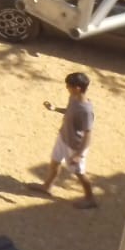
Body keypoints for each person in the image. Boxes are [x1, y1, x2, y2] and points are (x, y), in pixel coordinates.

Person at [28, 72, 99, 209]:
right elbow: (69, 111)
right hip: (63, 137)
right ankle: (47, 186)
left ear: (77, 88)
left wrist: (78, 154)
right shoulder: (73, 97)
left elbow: (88, 134)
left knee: (79, 173)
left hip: (74, 146)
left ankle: (90, 198)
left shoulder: (86, 110)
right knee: (55, 162)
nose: (67, 88)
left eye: (69, 86)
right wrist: (54, 109)